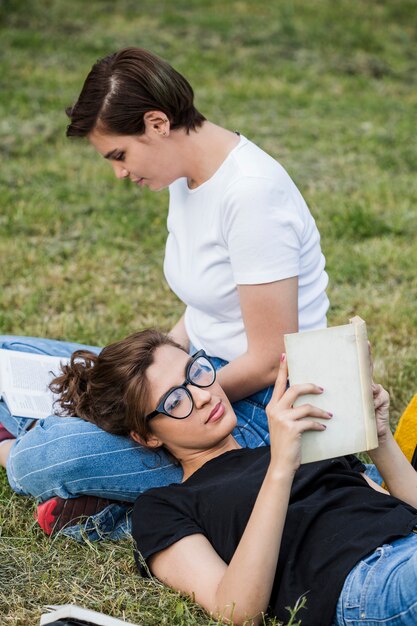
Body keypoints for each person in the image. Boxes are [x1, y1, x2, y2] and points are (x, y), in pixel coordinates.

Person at [0, 46, 329, 536]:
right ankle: (101, 471)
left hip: (249, 409)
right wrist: (128, 381)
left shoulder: (252, 194)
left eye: (119, 155)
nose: (119, 173)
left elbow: (268, 359)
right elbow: (201, 311)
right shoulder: (186, 175)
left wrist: (154, 407)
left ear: (157, 124)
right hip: (188, 372)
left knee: (40, 458)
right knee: (7, 354)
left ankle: (45, 457)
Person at [33, 328, 417, 626]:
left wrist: (380, 437)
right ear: (147, 435)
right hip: (369, 579)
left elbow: (403, 507)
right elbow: (236, 609)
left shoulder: (295, 442)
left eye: (197, 372)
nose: (201, 395)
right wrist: (281, 467)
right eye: (175, 400)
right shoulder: (164, 506)